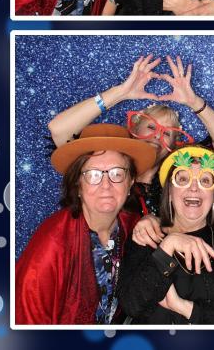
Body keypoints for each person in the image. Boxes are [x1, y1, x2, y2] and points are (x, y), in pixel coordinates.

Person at [47, 54, 214, 217]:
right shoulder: (105, 161)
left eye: (167, 133)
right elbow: (58, 130)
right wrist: (120, 93)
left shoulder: (180, 179)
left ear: (174, 145)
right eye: (151, 127)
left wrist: (194, 102)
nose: (157, 136)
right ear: (134, 129)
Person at [15, 124, 157, 324]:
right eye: (93, 175)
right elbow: (25, 321)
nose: (106, 185)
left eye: (117, 173)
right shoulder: (52, 243)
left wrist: (152, 219)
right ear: (78, 184)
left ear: (131, 181)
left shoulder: (132, 226)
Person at [117, 146, 214, 323]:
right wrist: (167, 246)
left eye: (205, 180)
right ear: (169, 192)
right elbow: (132, 305)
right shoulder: (145, 237)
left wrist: (185, 308)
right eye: (183, 179)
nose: (194, 188)